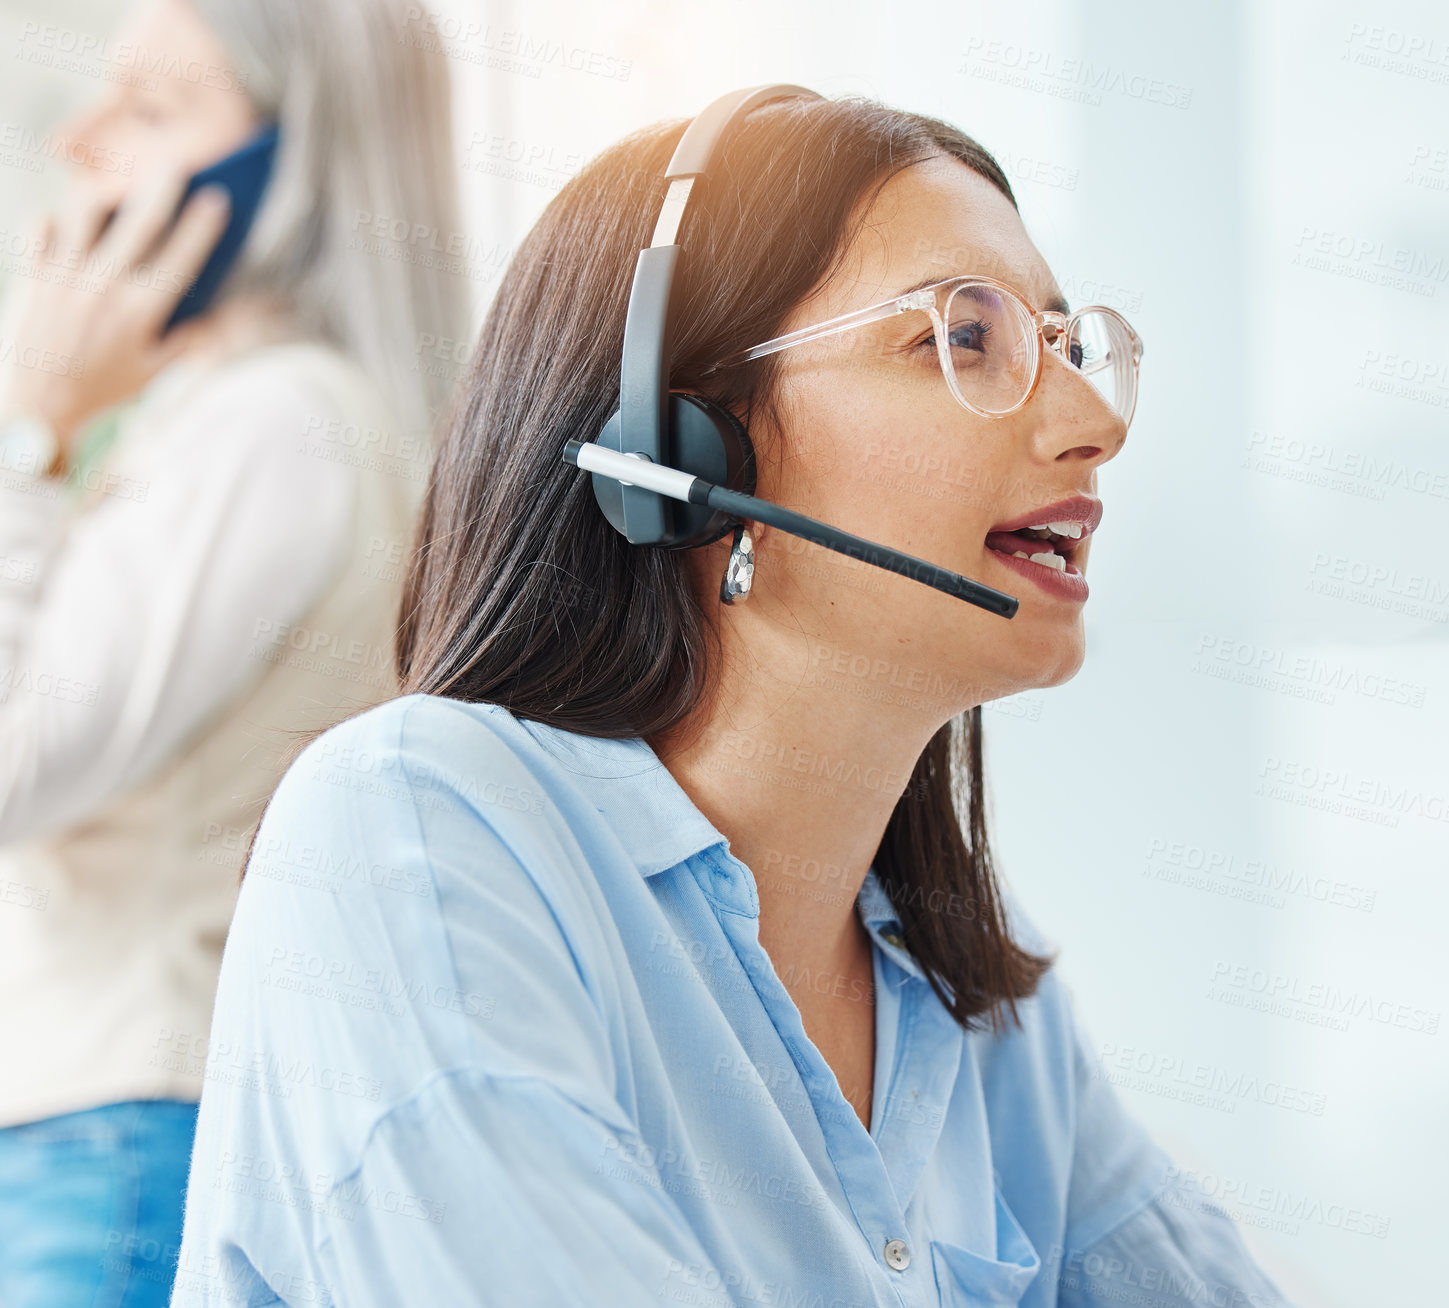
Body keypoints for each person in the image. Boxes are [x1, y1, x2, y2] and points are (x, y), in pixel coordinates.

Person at [170, 93, 1295, 1306]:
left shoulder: (970, 990)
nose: (1090, 426)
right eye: (964, 340)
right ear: (684, 453)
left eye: (1069, 349)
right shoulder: (412, 832)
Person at [0, 0, 466, 1304]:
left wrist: (29, 430)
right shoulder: (231, 423)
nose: (82, 139)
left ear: (295, 160)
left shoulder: (278, 425)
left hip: (122, 1136)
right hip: (103, 1125)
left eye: (150, 108)